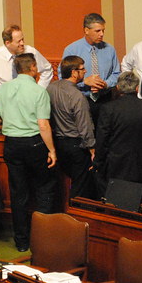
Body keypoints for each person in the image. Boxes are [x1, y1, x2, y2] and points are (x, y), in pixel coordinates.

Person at [0, 53, 57, 252]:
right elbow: (43, 125)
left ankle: (21, 241)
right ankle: (42, 239)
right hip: (34, 144)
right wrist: (52, 150)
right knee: (44, 189)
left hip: (11, 144)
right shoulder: (39, 91)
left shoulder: (4, 89)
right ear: (33, 67)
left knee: (18, 194)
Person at [94, 72, 142, 194]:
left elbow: (102, 141)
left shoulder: (108, 109)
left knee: (115, 202)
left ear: (117, 87)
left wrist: (98, 164)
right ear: (137, 88)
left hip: (114, 167)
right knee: (139, 202)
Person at [0, 24, 53, 108]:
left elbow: (47, 70)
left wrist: (39, 90)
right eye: (19, 41)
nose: (22, 43)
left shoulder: (30, 52)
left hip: (27, 104)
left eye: (23, 39)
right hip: (3, 105)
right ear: (7, 43)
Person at [46, 55, 96, 199]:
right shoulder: (78, 96)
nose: (85, 71)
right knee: (80, 186)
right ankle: (76, 212)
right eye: (82, 69)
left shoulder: (51, 88)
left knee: (62, 183)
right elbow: (84, 125)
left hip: (57, 142)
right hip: (76, 145)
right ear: (74, 72)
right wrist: (92, 149)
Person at [62, 13, 120, 104]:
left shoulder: (110, 49)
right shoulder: (71, 50)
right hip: (80, 99)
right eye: (98, 31)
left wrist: (105, 84)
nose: (101, 34)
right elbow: (63, 78)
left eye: (103, 30)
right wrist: (84, 82)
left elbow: (116, 73)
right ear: (86, 30)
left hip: (105, 99)